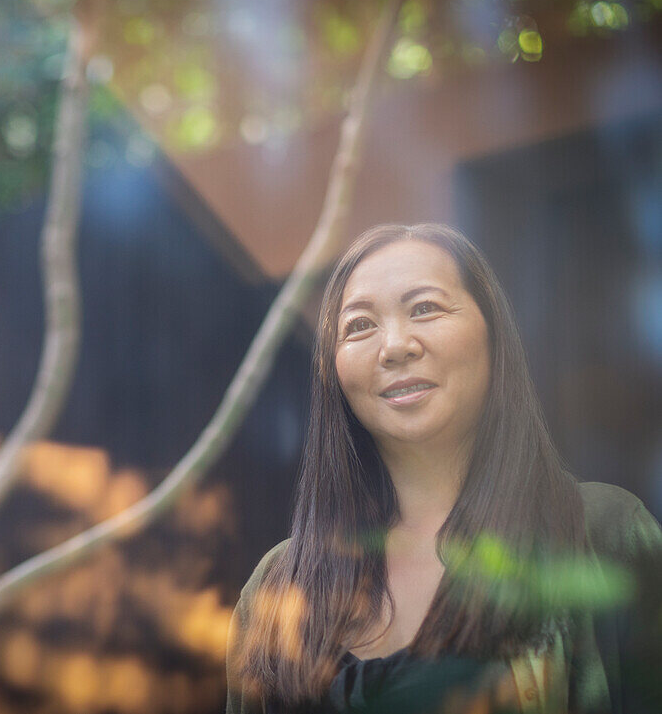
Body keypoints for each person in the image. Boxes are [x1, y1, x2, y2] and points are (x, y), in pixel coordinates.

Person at [225, 224, 662, 714]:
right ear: (334, 372)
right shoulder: (279, 586)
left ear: (493, 335)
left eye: (425, 308)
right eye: (360, 325)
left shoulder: (604, 532)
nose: (394, 345)